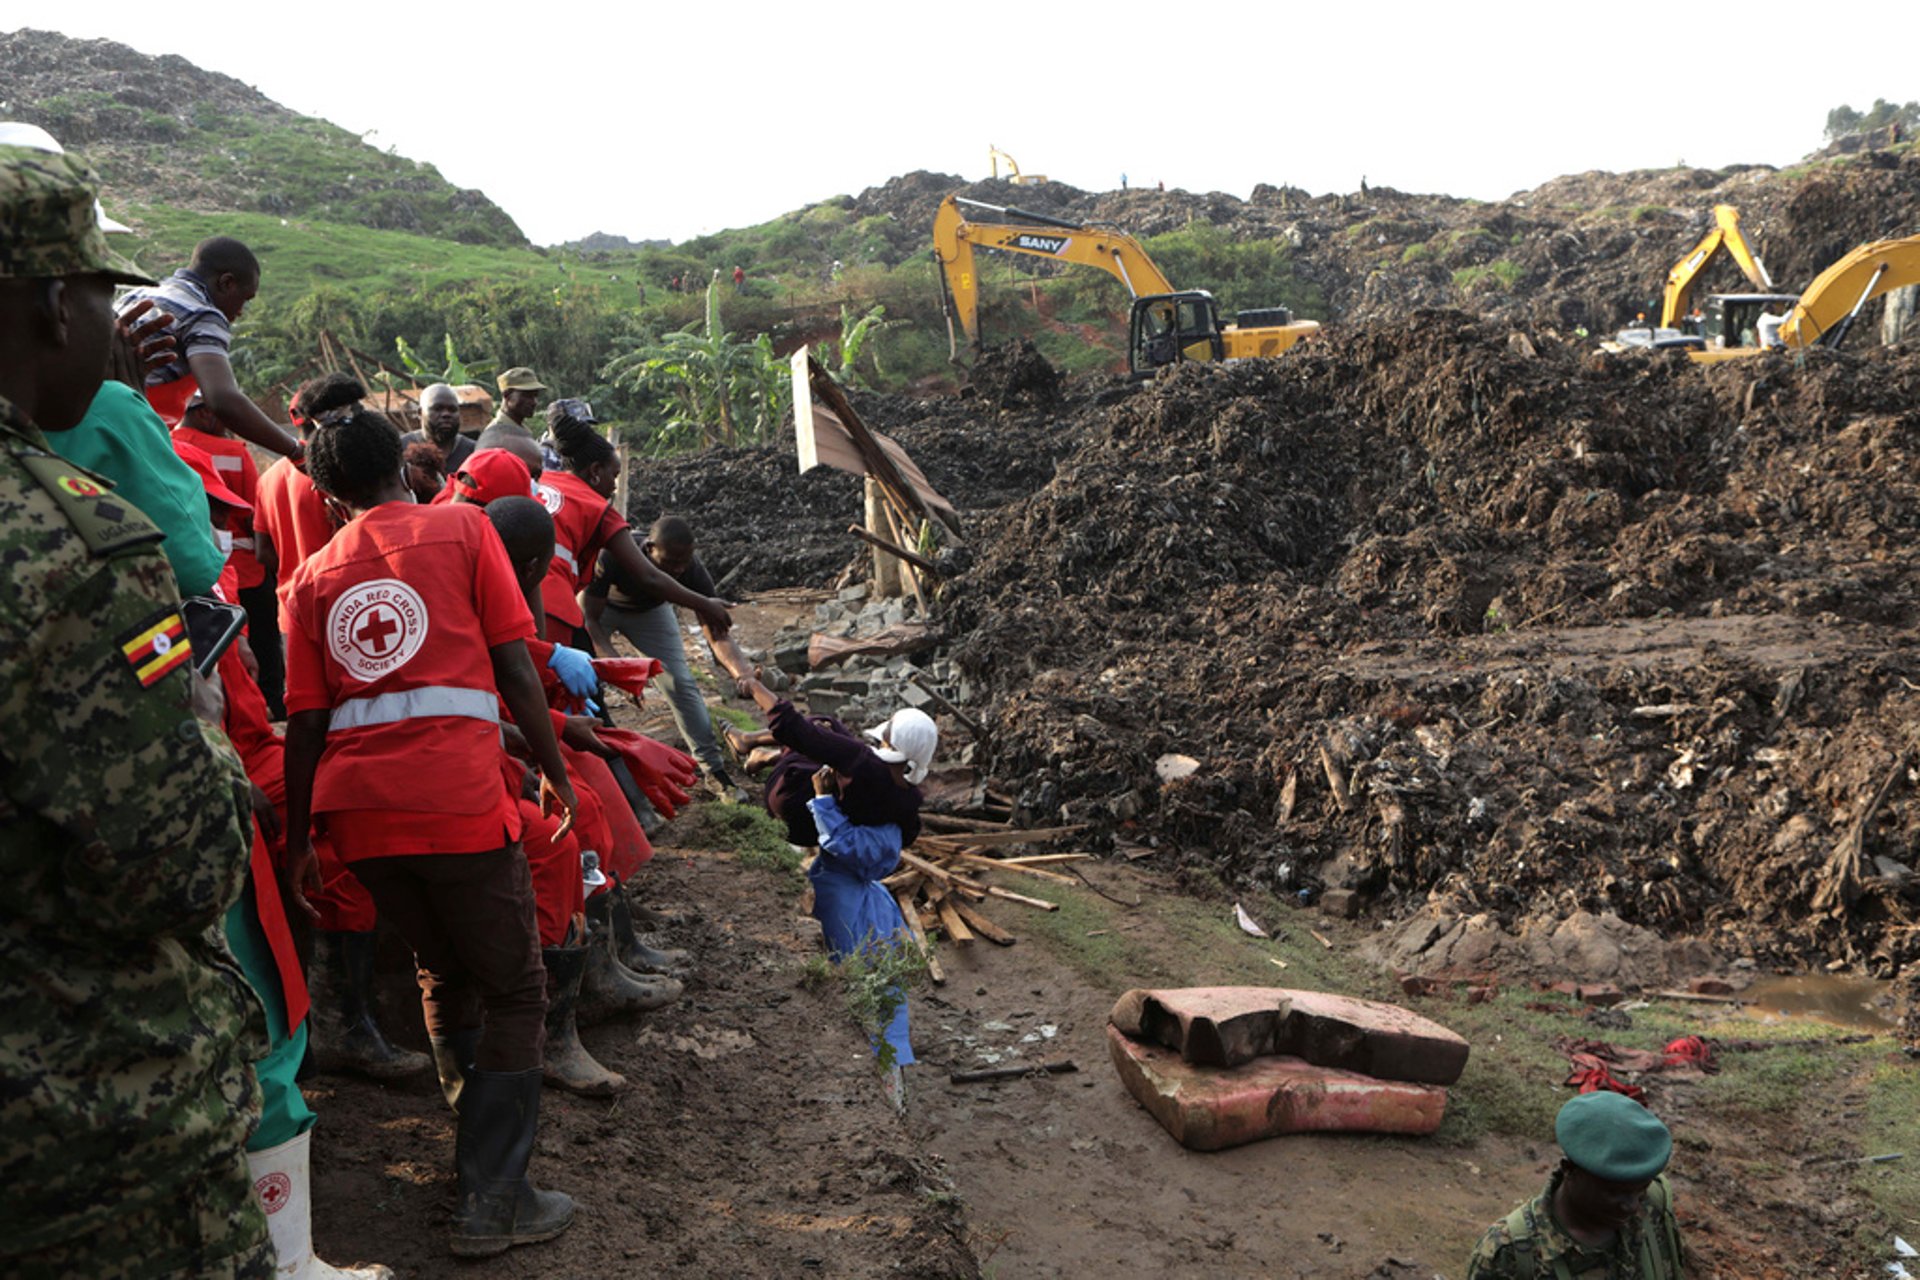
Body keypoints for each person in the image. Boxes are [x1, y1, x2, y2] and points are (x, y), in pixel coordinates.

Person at [0, 140, 273, 1280]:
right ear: (57, 304)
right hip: (82, 1137)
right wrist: (200, 722)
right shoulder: (74, 542)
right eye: (105, 293)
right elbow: (180, 857)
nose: (122, 322)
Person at [280, 400, 578, 1257]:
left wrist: (303, 840)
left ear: (328, 495)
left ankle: (481, 1168)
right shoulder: (465, 532)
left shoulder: (309, 580)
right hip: (456, 803)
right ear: (402, 468)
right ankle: (495, 1200)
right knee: (518, 986)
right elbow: (514, 664)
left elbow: (304, 725)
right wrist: (555, 773)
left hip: (361, 822)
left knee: (441, 968)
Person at [539, 399, 735, 650]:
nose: (614, 486)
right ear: (596, 470)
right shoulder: (600, 511)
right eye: (614, 475)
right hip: (551, 605)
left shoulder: (541, 481)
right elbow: (650, 577)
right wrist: (706, 604)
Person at [583, 513, 755, 798]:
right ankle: (604, 772)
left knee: (680, 683)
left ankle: (714, 771)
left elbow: (716, 631)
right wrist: (621, 670)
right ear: (650, 548)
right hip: (603, 611)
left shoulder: (691, 569)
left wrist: (743, 673)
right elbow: (589, 620)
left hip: (650, 613)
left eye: (683, 563)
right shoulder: (613, 554)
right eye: (671, 563)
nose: (678, 569)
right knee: (586, 682)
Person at [115, 236, 304, 460]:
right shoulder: (201, 314)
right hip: (130, 438)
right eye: (245, 298)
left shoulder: (136, 296)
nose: (241, 311)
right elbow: (222, 400)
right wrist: (296, 451)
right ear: (226, 283)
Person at [1465, 1091, 1685, 1279]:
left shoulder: (1654, 1203)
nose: (1631, 1206)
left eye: (1641, 1190)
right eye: (1614, 1192)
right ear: (1569, 1170)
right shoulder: (1510, 1253)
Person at [729, 676, 936, 856]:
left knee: (816, 732)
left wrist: (756, 687)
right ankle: (763, 753)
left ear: (889, 740)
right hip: (811, 833)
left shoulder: (861, 760)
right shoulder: (910, 800)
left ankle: (755, 747)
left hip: (786, 801)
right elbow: (908, 835)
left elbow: (795, 729)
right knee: (829, 727)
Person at [400, 382, 474, 472]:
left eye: (452, 410)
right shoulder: (401, 449)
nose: (446, 414)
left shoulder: (473, 452)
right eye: (437, 409)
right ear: (420, 412)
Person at [484, 367, 545, 442]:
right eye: (527, 396)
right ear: (507, 395)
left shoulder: (521, 429)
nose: (534, 402)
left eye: (535, 396)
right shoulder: (497, 433)